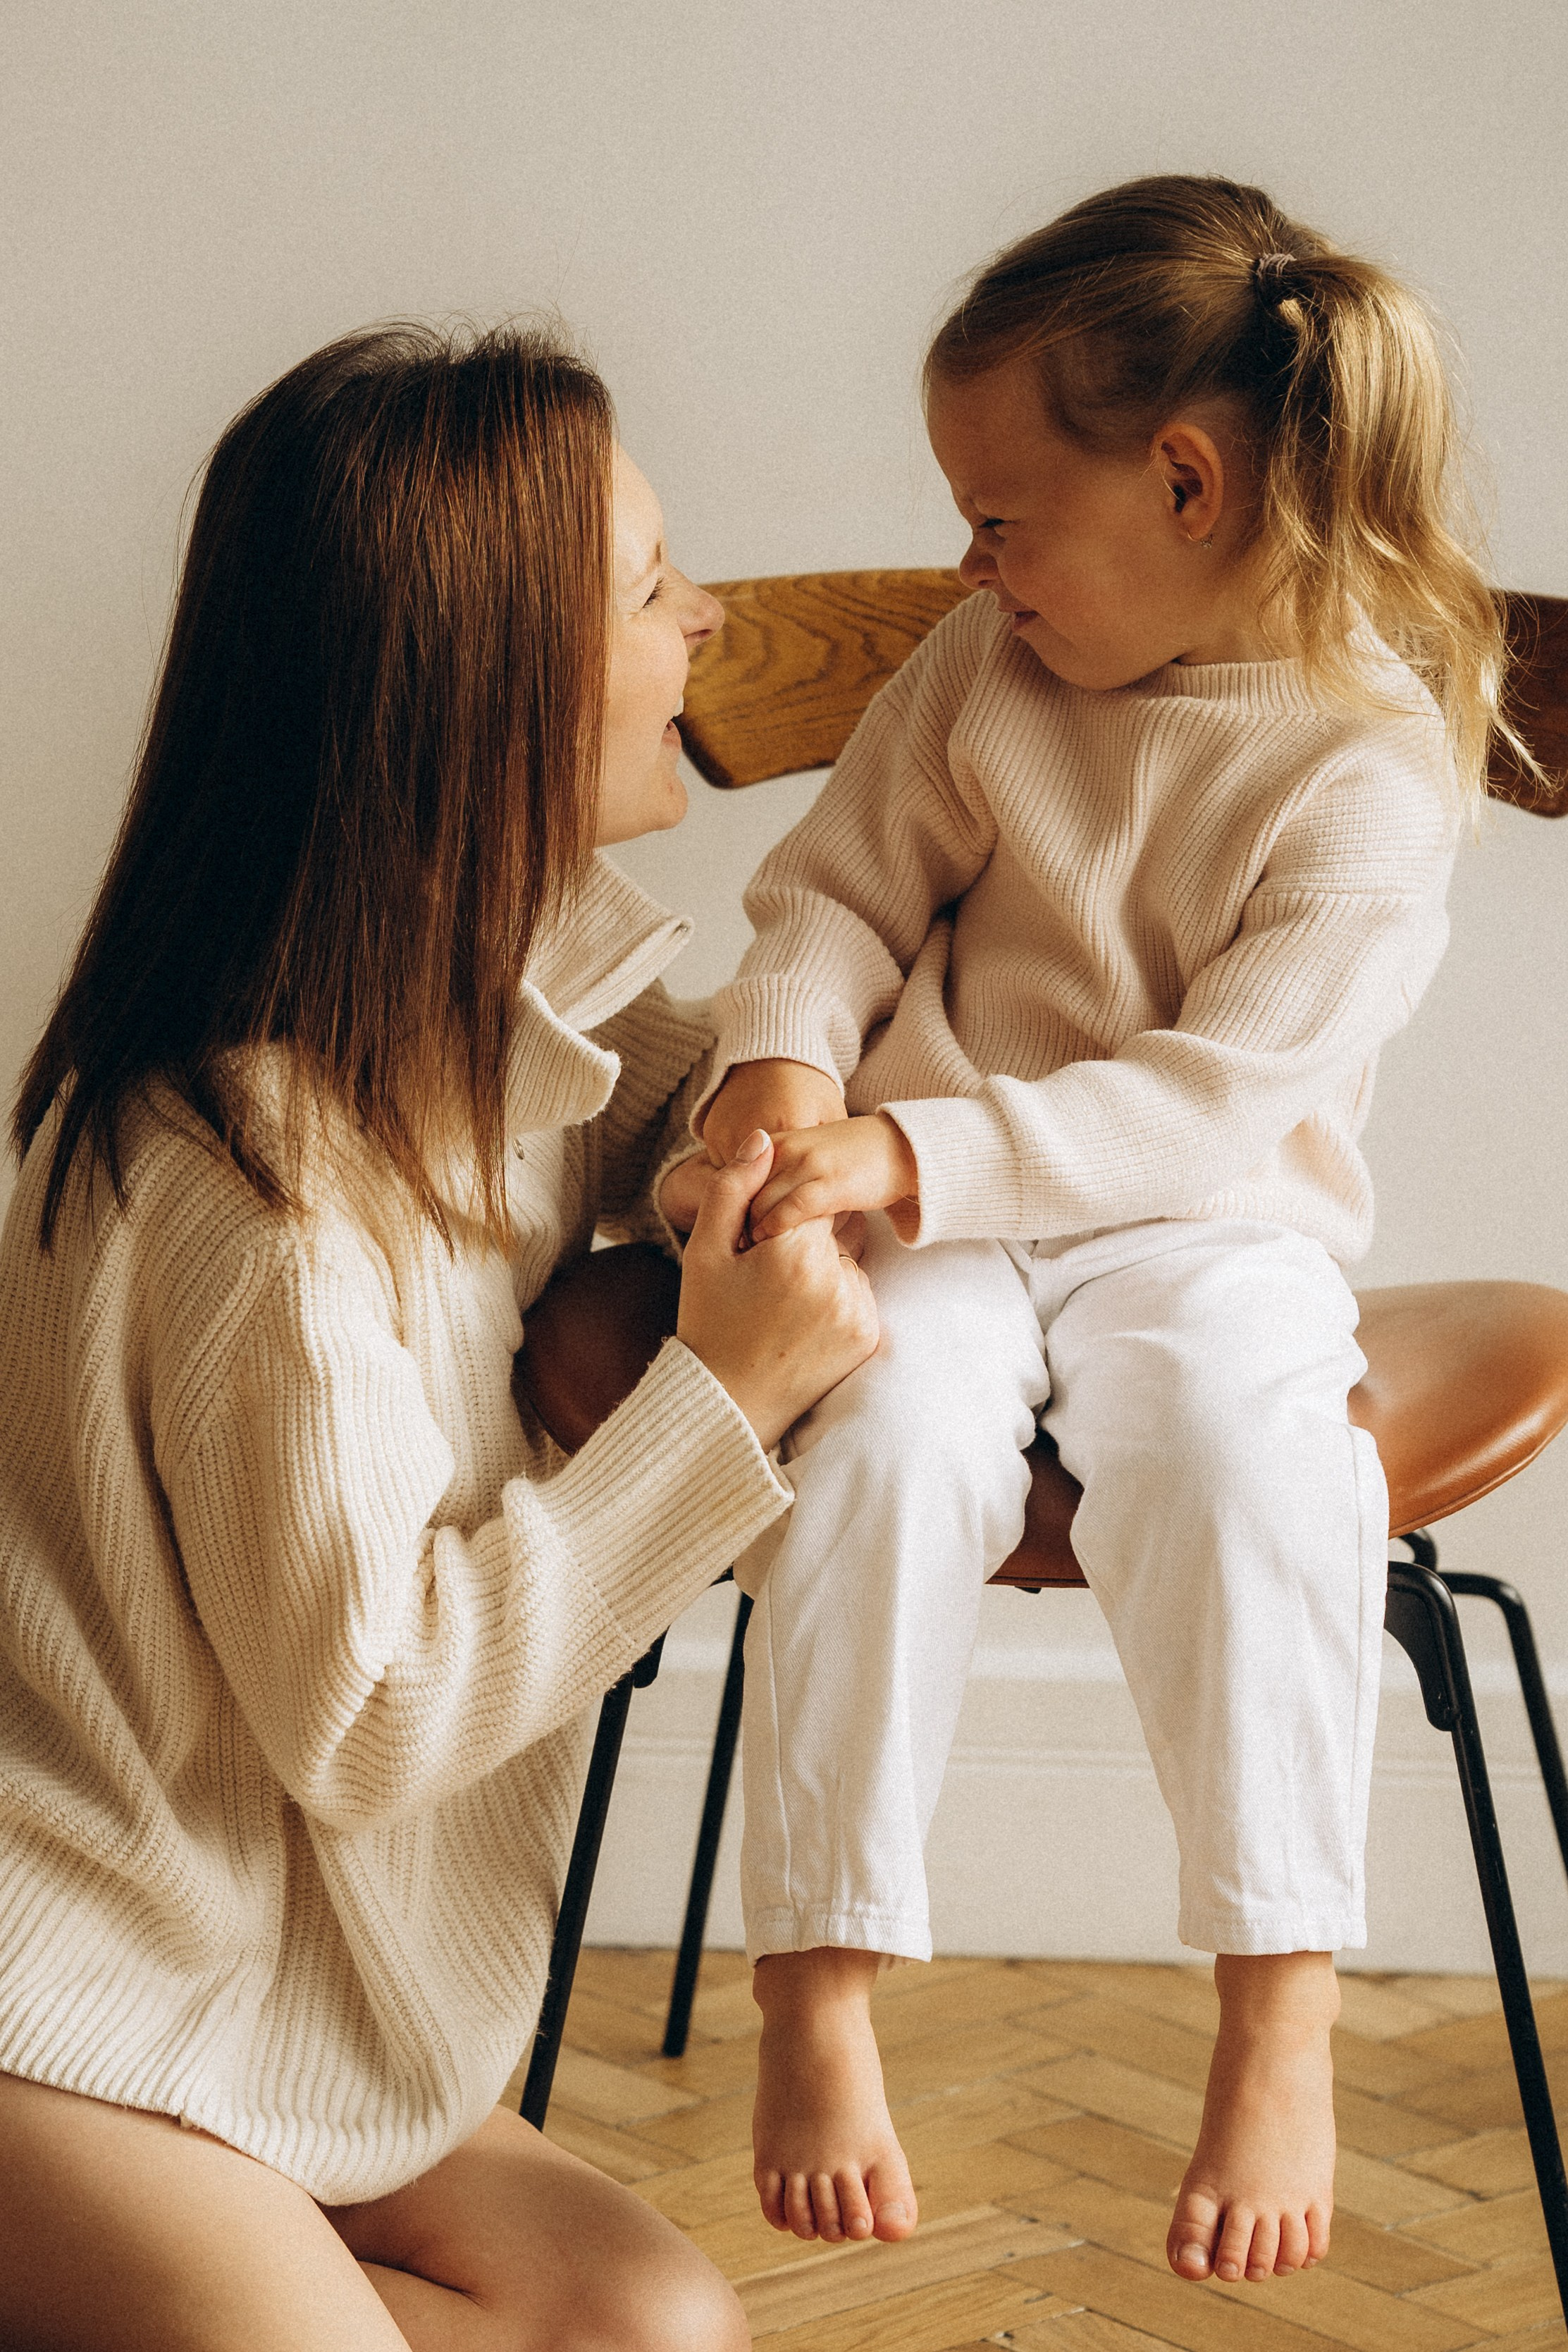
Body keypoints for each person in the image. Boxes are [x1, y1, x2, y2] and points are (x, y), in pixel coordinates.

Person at [667, 175, 1530, 2288]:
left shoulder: (1365, 760)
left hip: (1204, 1224)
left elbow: (1211, 1100)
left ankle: (1275, 1999)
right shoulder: (987, 662)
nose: (966, 560)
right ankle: (821, 1971)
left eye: (995, 515)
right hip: (935, 1199)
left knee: (1254, 1460)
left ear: (1185, 477)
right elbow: (836, 899)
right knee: (872, 1434)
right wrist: (782, 1081)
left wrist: (908, 1157)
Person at [0, 324, 877, 2351]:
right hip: (60, 1982)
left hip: (276, 1976)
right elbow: (376, 1709)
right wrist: (717, 1396)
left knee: (660, 2326)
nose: (712, 618)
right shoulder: (250, 1185)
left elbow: (719, 1093)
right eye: (654, 587)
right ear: (479, 685)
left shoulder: (502, 1045)